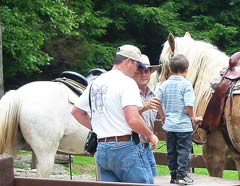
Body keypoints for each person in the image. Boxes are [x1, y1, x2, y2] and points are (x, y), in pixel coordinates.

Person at [71, 44, 158, 184]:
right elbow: (133, 119)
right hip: (125, 147)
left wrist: (99, 129)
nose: (138, 69)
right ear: (129, 61)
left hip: (102, 148)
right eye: (137, 65)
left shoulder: (96, 82)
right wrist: (150, 135)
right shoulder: (127, 83)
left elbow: (77, 112)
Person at [156, 54, 202, 185]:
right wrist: (193, 117)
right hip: (183, 126)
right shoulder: (186, 85)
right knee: (183, 150)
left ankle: (173, 175)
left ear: (170, 69)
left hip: (169, 126)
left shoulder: (164, 85)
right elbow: (189, 104)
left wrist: (162, 115)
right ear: (187, 69)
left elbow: (156, 101)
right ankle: (182, 175)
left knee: (171, 151)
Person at [133, 54, 164, 177]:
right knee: (145, 180)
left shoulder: (153, 94)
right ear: (133, 73)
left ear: (150, 73)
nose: (144, 74)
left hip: (146, 145)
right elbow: (128, 116)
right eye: (139, 71)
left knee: (153, 178)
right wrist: (145, 106)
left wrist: (163, 114)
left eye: (146, 71)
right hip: (133, 145)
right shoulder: (129, 93)